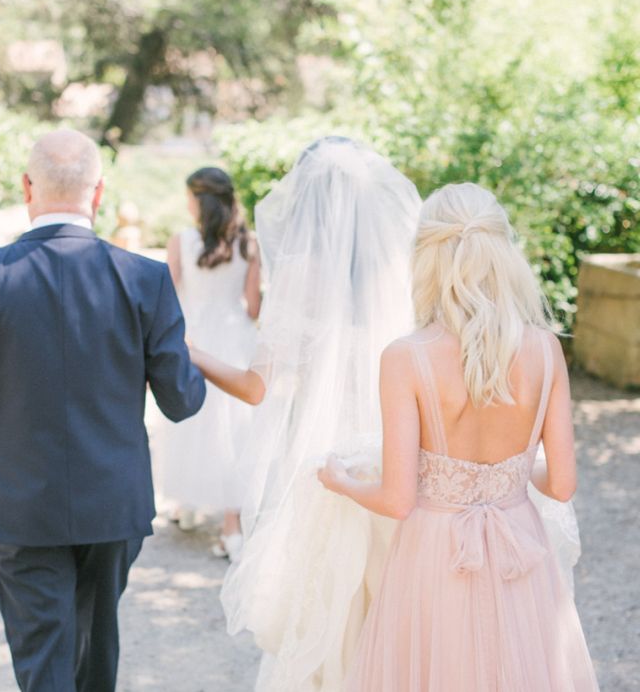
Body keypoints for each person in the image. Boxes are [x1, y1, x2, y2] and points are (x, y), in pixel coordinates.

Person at [0, 129, 206, 692]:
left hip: (16, 506)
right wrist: (195, 358)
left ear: (27, 187)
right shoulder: (145, 279)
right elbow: (181, 401)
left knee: (44, 661)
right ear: (98, 194)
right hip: (113, 505)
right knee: (95, 660)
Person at [318, 183, 599, 691]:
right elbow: (561, 484)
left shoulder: (406, 357)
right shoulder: (545, 350)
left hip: (435, 553)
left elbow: (398, 499)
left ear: (426, 257)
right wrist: (507, 476)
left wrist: (340, 482)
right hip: (520, 547)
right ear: (503, 254)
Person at [189, 137, 421, 690]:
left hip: (328, 463)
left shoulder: (305, 275)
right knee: (392, 604)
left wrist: (189, 351)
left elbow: (254, 387)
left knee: (326, 613)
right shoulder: (398, 264)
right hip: (396, 453)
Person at [153, 167, 260, 559]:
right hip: (234, 338)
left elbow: (166, 295)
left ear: (198, 200)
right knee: (233, 427)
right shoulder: (248, 243)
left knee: (193, 419)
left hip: (193, 337)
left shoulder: (182, 241)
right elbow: (253, 307)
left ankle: (187, 504)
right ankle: (233, 526)